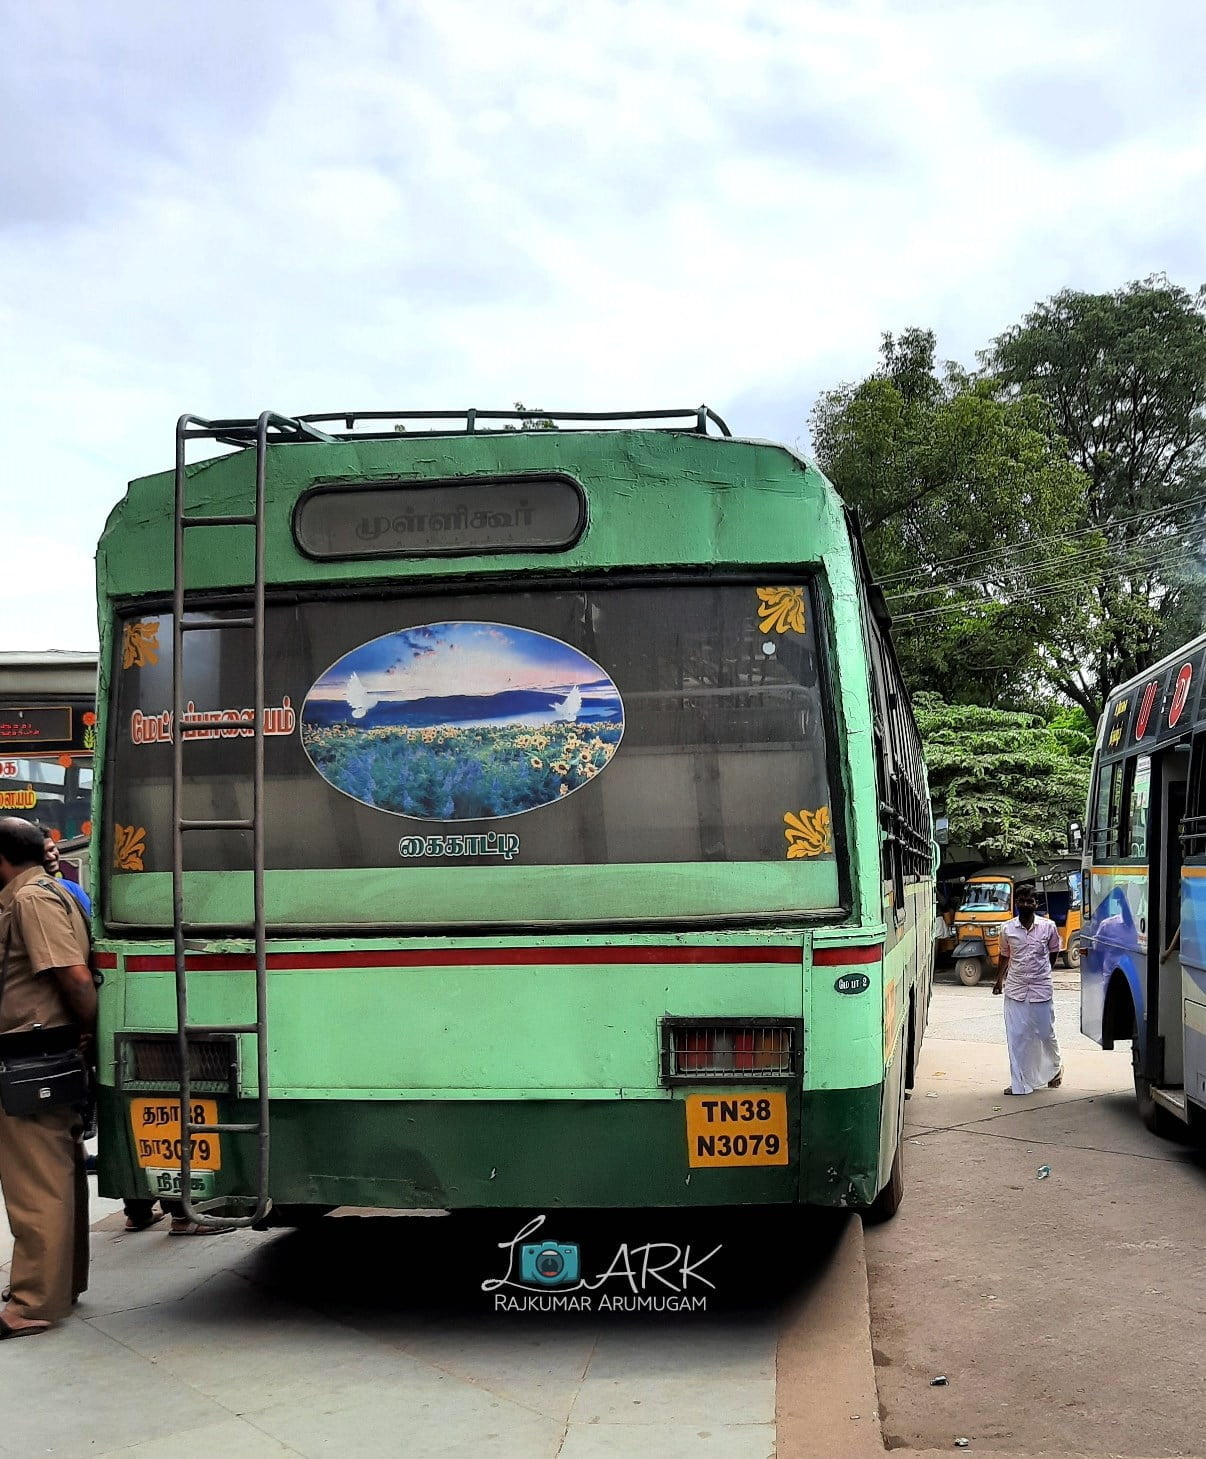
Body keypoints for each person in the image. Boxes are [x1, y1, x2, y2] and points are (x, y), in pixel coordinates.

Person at [0, 817, 96, 1338]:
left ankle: (33, 1302)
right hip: (37, 1051)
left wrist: (87, 1036)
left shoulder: (31, 900)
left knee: (35, 1183)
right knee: (55, 1176)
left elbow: (75, 977)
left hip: (32, 1054)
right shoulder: (42, 893)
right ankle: (57, 1284)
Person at [993, 882, 1064, 1096]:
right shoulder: (1007, 929)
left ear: (1036, 904)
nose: (1025, 904)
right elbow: (1005, 955)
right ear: (1016, 903)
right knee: (1017, 1036)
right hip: (1015, 988)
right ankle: (1019, 1083)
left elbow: (1053, 953)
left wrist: (1043, 972)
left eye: (1030, 901)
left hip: (1041, 987)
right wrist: (999, 981)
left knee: (1044, 1032)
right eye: (1021, 901)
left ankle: (1055, 1067)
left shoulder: (1048, 927)